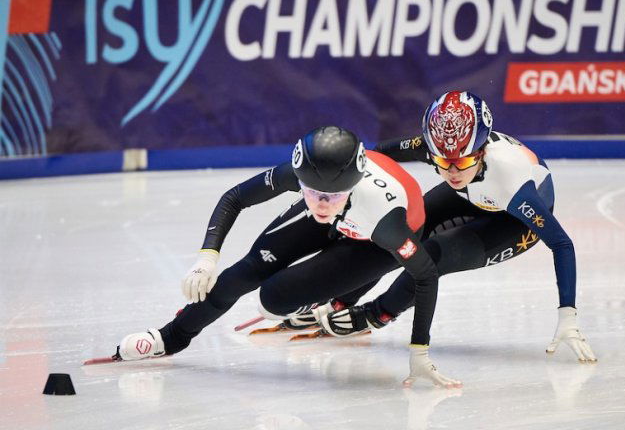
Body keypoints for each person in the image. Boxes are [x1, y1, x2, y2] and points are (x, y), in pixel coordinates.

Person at [113, 126, 462, 387]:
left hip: (372, 238)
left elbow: (426, 274)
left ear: (352, 185)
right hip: (352, 214)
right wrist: (207, 256)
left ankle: (332, 304)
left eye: (333, 195)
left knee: (275, 299)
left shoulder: (388, 224)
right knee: (245, 272)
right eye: (311, 192)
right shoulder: (302, 177)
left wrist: (419, 351)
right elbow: (234, 198)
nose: (322, 204)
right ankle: (170, 337)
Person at [320, 91, 597, 363]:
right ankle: (341, 301)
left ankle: (377, 314)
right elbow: (372, 156)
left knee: (431, 256)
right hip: (473, 193)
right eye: (442, 162)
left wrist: (568, 316)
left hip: (513, 220)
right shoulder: (442, 149)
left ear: (482, 150)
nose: (452, 172)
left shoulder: (512, 181)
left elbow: (562, 243)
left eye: (462, 161)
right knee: (402, 231)